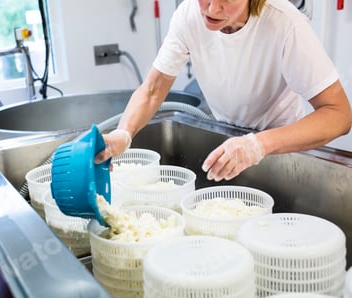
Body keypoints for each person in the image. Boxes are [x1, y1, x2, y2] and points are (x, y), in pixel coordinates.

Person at [95, 0, 352, 181]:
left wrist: (258, 144)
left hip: (283, 154)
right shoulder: (188, 16)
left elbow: (339, 115)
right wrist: (124, 133)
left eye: (227, 0)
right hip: (228, 143)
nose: (212, 8)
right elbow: (153, 89)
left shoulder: (285, 24)